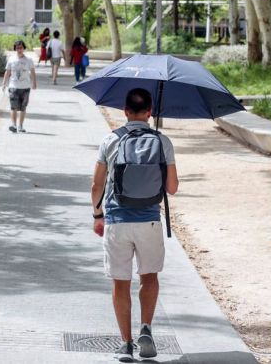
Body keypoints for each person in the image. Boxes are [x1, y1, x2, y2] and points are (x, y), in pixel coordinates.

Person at [91, 88, 179, 363]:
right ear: (150, 112)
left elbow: (96, 185)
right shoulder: (162, 141)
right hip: (149, 220)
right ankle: (146, 329)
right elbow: (172, 188)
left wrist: (97, 215)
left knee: (120, 283)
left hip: (117, 221)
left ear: (125, 111)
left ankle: (126, 344)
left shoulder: (110, 140)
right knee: (149, 277)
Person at [2, 40, 37, 133]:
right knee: (13, 107)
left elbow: (33, 72)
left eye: (21, 48)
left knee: (23, 107)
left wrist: (34, 83)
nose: (19, 50)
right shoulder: (11, 59)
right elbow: (7, 72)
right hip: (13, 86)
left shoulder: (29, 60)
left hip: (25, 87)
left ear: (23, 48)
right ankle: (13, 125)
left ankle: (20, 126)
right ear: (15, 49)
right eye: (17, 48)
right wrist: (4, 83)